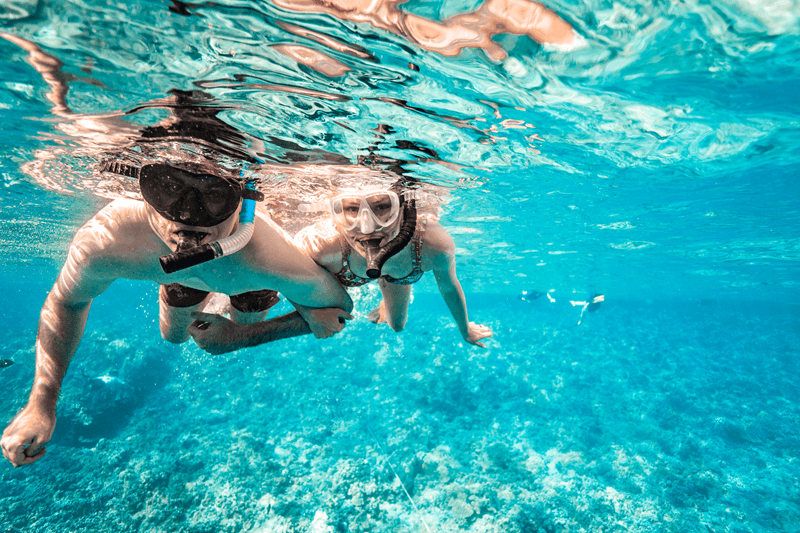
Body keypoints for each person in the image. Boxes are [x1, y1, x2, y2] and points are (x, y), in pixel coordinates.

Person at [0, 159, 354, 468]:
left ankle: (229, 301)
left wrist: (239, 337)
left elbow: (340, 306)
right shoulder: (110, 240)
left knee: (247, 319)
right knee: (173, 335)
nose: (188, 215)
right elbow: (66, 301)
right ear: (142, 188)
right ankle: (205, 289)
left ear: (243, 201)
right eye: (167, 188)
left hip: (245, 278)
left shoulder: (266, 256)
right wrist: (40, 403)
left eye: (215, 195)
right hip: (221, 273)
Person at [188, 182, 492, 353]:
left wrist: (464, 329)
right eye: (350, 209)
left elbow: (450, 287)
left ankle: (388, 290)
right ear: (334, 213)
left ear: (406, 209)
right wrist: (310, 312)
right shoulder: (323, 247)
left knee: (397, 325)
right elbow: (287, 277)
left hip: (400, 273)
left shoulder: (433, 244)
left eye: (383, 207)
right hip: (345, 273)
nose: (367, 226)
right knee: (328, 301)